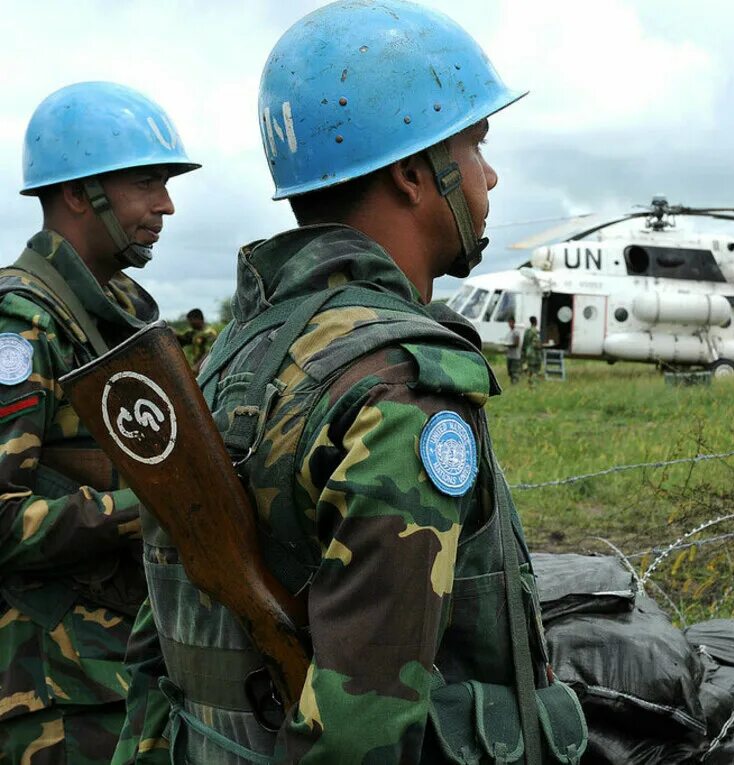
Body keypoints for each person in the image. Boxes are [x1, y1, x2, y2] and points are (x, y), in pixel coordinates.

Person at [116, 2, 588, 763]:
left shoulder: (236, 353)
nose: (490, 173)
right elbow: (364, 729)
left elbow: (161, 648)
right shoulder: (401, 384)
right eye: (474, 144)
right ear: (413, 175)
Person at [0, 82, 198, 763]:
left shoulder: (120, 311)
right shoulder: (20, 323)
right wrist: (161, 506)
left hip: (125, 676)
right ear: (79, 194)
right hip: (49, 700)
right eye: (147, 183)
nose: (166, 204)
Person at [176, 307, 218, 372]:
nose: (190, 323)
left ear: (199, 319)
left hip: (205, 368)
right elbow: (182, 339)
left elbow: (211, 351)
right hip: (193, 369)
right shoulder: (193, 333)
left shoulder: (210, 333)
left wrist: (197, 366)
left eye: (191, 320)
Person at [522, 315, 543, 382]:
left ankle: (530, 382)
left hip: (528, 353)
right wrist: (541, 346)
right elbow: (537, 344)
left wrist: (524, 352)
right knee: (536, 369)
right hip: (535, 354)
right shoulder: (535, 332)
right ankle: (533, 383)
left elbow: (524, 343)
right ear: (535, 322)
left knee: (530, 369)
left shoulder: (527, 331)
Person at [505, 316, 523, 384]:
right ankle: (512, 384)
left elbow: (516, 344)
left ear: (514, 322)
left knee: (514, 372)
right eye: (509, 322)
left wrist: (508, 345)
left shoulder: (516, 332)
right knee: (510, 372)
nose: (509, 324)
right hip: (509, 355)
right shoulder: (509, 333)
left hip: (515, 356)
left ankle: (515, 385)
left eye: (511, 322)